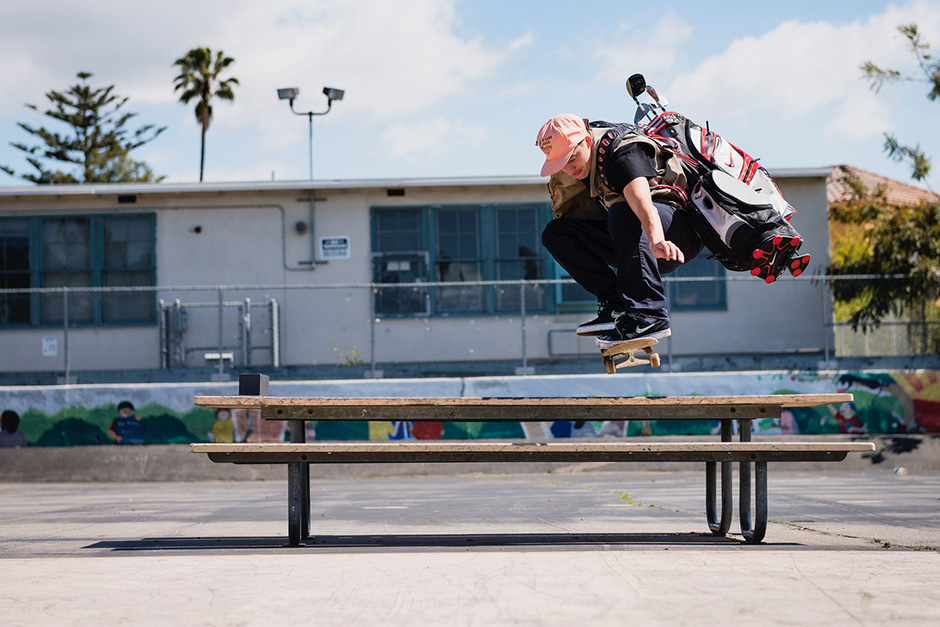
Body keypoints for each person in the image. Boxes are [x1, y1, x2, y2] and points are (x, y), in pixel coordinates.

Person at [536, 114, 703, 348]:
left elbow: (642, 202)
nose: (570, 169)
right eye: (562, 164)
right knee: (556, 234)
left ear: (586, 140)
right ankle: (617, 304)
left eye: (572, 158)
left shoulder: (621, 152)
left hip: (674, 233)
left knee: (623, 211)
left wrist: (656, 240)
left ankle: (649, 314)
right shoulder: (579, 165)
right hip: (634, 242)